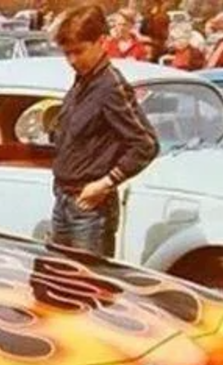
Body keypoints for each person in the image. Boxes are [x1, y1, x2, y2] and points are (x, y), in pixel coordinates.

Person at [48, 3, 158, 257]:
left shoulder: (110, 86)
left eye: (78, 51)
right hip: (64, 200)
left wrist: (105, 183)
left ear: (101, 42)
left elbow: (146, 144)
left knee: (87, 288)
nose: (72, 60)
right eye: (67, 54)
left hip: (90, 210)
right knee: (58, 285)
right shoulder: (82, 82)